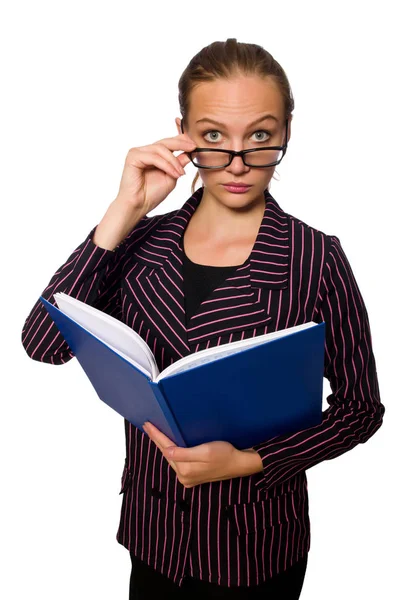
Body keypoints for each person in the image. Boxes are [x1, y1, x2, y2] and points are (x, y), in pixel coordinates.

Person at [21, 38, 385, 599]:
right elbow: (42, 343)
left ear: (286, 131)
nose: (237, 164)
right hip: (154, 537)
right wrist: (123, 211)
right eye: (214, 137)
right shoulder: (142, 240)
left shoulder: (316, 257)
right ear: (184, 134)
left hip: (255, 546)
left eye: (260, 137)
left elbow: (361, 409)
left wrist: (253, 461)